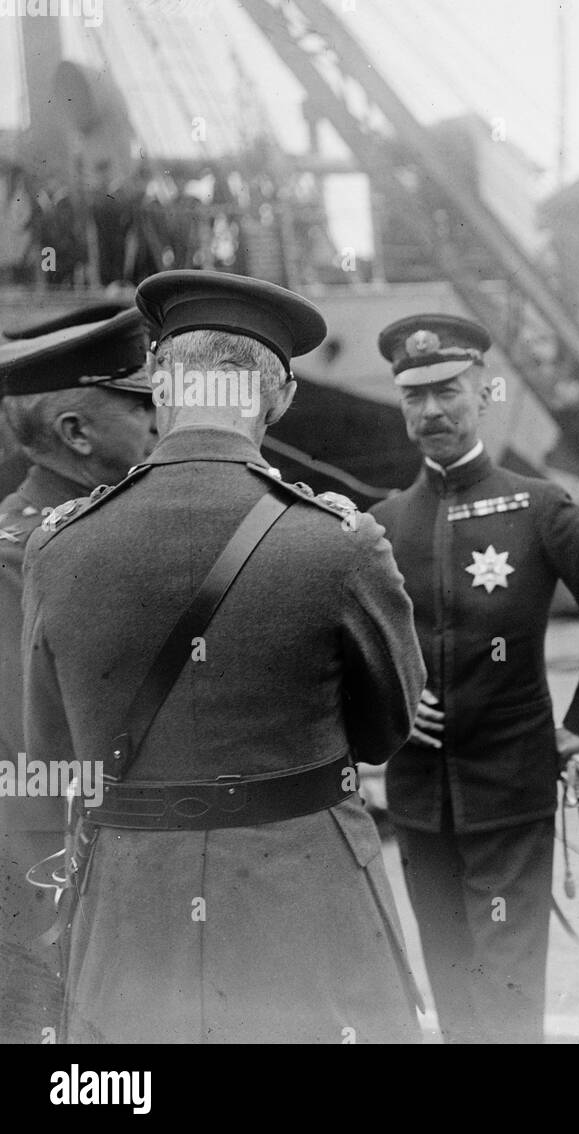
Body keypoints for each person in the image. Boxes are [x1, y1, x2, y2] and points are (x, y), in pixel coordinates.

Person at [21, 270, 426, 1043]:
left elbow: (54, 755)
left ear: (163, 388)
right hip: (304, 891)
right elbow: (386, 732)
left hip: (132, 906)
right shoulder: (338, 541)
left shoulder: (59, 545)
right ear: (277, 399)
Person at [371, 313, 579, 1044]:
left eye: (448, 392)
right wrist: (388, 708)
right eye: (414, 396)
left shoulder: (539, 507)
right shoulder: (382, 525)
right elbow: (343, 647)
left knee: (508, 992)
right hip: (417, 800)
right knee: (451, 984)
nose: (431, 412)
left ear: (484, 393)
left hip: (511, 789)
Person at [0, 306, 157, 1042]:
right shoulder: (31, 559)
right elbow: (34, 759)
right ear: (76, 433)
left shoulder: (68, 537)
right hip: (60, 887)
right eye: (143, 405)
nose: (163, 422)